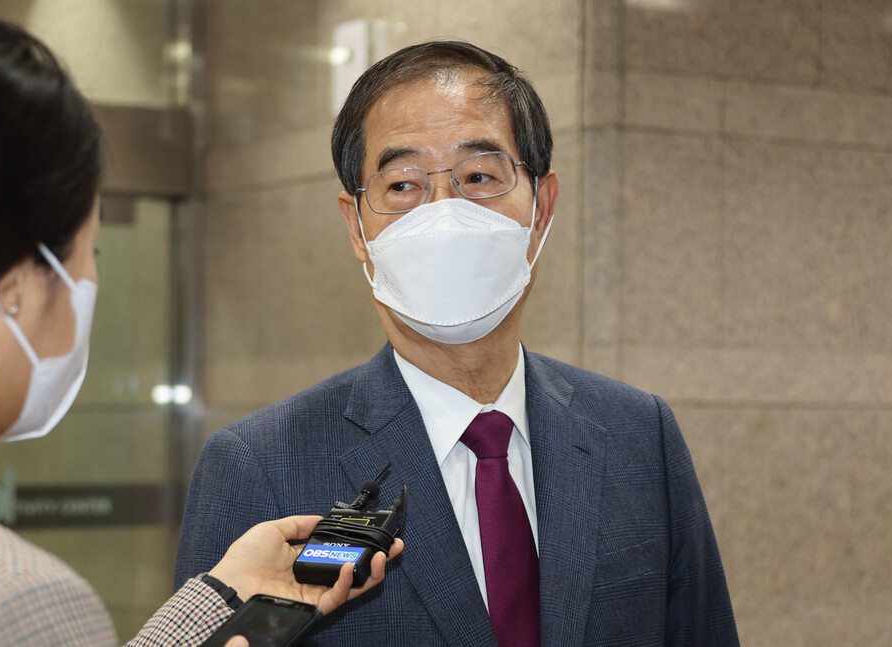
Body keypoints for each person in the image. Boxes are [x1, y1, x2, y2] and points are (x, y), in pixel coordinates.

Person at [175, 41, 739, 646]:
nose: (443, 214)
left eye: (478, 177)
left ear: (542, 209)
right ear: (356, 226)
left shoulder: (638, 435)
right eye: (402, 186)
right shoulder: (259, 467)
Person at [0, 9, 401, 647]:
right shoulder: (16, 605)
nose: (91, 281)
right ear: (14, 288)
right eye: (91, 254)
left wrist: (223, 591)